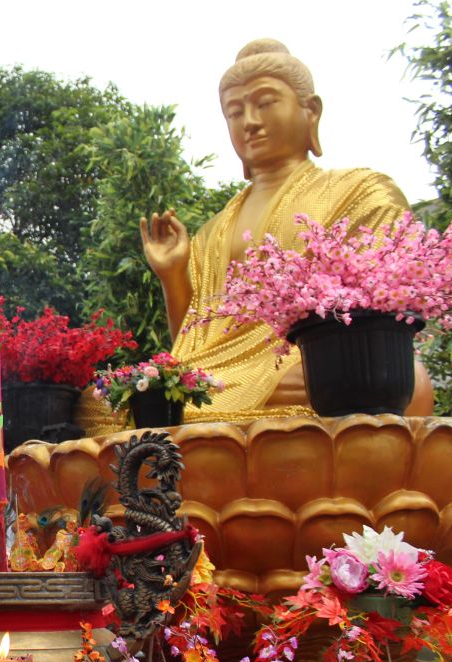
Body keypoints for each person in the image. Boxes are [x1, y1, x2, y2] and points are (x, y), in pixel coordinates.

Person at [136, 38, 434, 423]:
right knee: (106, 397)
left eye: (265, 103)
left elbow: (378, 335)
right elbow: (194, 345)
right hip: (222, 380)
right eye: (235, 111)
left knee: (405, 383)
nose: (251, 122)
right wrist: (173, 274)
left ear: (311, 112)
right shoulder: (211, 233)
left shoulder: (363, 192)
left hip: (307, 365)